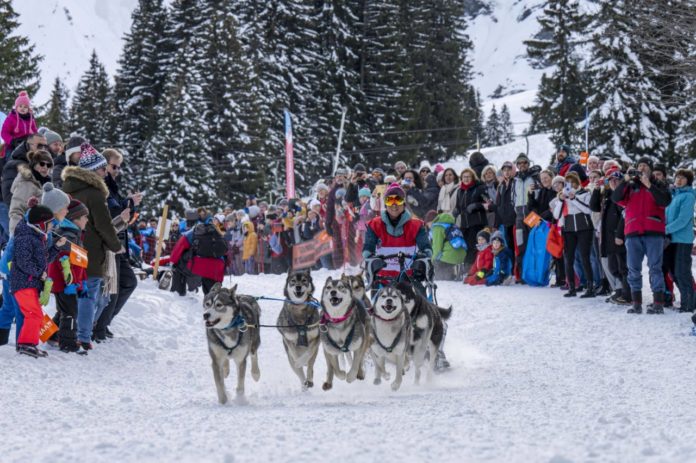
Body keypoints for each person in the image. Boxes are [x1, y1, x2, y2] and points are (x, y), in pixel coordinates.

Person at [61, 143, 124, 351]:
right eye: (102, 168)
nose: (105, 172)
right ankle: (83, 336)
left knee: (71, 293)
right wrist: (116, 246)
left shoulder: (68, 188)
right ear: (93, 170)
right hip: (90, 250)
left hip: (69, 246)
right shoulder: (95, 194)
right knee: (89, 294)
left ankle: (63, 333)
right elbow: (104, 225)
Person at [612, 157, 671, 314]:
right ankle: (636, 303)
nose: (642, 168)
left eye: (645, 165)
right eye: (640, 165)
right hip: (632, 232)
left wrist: (649, 185)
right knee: (633, 269)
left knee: (655, 268)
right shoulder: (631, 186)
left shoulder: (659, 184)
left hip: (654, 232)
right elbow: (615, 198)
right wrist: (624, 181)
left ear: (650, 169)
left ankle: (658, 303)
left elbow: (665, 201)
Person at [94, 148, 141, 341]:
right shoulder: (100, 185)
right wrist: (127, 203)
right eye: (114, 166)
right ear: (104, 165)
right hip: (109, 243)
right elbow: (113, 213)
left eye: (119, 167)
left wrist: (130, 203)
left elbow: (121, 212)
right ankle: (98, 326)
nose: (116, 171)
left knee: (128, 282)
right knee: (111, 288)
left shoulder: (112, 186)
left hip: (119, 242)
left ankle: (103, 322)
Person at [11, 203, 65, 357]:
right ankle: (26, 344)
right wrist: (39, 273)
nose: (52, 226)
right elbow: (23, 262)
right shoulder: (25, 237)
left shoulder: (37, 237)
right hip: (23, 283)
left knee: (34, 314)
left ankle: (26, 343)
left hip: (29, 282)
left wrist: (56, 248)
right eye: (50, 223)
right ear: (41, 224)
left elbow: (44, 259)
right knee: (34, 314)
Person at [47, 199, 90, 353]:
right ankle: (68, 344)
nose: (87, 220)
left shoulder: (73, 233)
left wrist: (81, 279)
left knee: (63, 310)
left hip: (67, 282)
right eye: (84, 217)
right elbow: (62, 259)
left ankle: (51, 336)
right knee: (70, 312)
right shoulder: (69, 235)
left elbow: (78, 260)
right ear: (75, 218)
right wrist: (70, 280)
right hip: (65, 283)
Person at [590, 166, 630, 305]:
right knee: (613, 266)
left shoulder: (622, 196)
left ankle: (626, 293)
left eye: (616, 180)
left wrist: (619, 234)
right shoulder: (608, 196)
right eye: (610, 180)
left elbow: (624, 217)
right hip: (608, 237)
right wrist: (596, 189)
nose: (613, 183)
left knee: (623, 266)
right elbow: (594, 206)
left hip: (619, 237)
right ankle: (619, 291)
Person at [553, 172, 595, 298]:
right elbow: (556, 215)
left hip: (584, 228)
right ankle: (571, 286)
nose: (572, 185)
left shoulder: (585, 193)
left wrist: (574, 199)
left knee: (584, 257)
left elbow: (587, 210)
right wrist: (561, 200)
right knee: (568, 258)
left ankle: (590, 286)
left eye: (574, 182)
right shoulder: (562, 196)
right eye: (569, 183)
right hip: (569, 229)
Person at [169, 218, 230, 294]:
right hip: (217, 266)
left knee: (178, 267)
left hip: (198, 264)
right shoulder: (218, 234)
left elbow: (178, 248)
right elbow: (225, 252)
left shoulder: (192, 233)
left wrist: (172, 262)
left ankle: (178, 293)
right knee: (211, 290)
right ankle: (216, 300)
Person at [665, 169, 695, 313]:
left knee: (682, 272)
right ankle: (687, 301)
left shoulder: (688, 196)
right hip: (672, 239)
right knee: (675, 272)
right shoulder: (674, 195)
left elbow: (683, 220)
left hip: (683, 239)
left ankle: (689, 304)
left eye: (683, 178)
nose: (679, 180)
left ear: (688, 181)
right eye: (677, 177)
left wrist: (665, 229)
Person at [9, 150, 53, 235]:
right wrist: (17, 235)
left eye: (49, 165)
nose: (45, 167)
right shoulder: (26, 184)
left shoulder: (45, 184)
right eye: (42, 164)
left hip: (42, 234)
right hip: (28, 235)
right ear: (34, 165)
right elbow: (16, 211)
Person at [452, 168, 487, 271]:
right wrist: (456, 210)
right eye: (464, 177)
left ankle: (471, 268)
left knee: (472, 245)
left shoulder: (479, 188)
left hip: (476, 222)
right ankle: (467, 267)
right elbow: (459, 206)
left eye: (468, 177)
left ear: (473, 177)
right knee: (465, 245)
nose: (466, 179)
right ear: (461, 178)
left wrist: (477, 205)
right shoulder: (460, 191)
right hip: (464, 223)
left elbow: (488, 203)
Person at [1, 91, 38, 157]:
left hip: (27, 146)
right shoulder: (11, 118)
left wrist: (35, 140)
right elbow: (4, 132)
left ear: (28, 109)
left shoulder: (30, 119)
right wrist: (12, 141)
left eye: (25, 107)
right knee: (10, 159)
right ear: (16, 107)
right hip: (12, 146)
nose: (22, 108)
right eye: (20, 106)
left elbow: (35, 132)